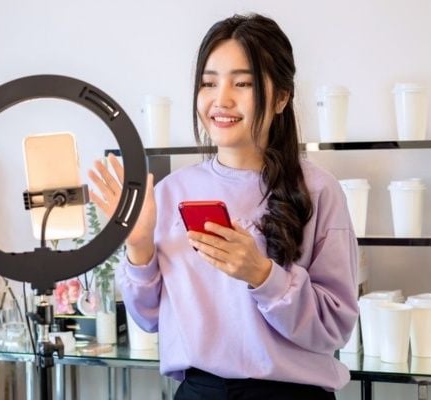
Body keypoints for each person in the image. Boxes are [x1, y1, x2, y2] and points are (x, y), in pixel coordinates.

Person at [89, 13, 358, 400]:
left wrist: (262, 275)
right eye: (209, 83)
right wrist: (139, 245)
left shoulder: (319, 190)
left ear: (281, 97)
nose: (222, 99)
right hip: (199, 391)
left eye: (243, 83)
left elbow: (335, 326)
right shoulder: (170, 192)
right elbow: (148, 319)